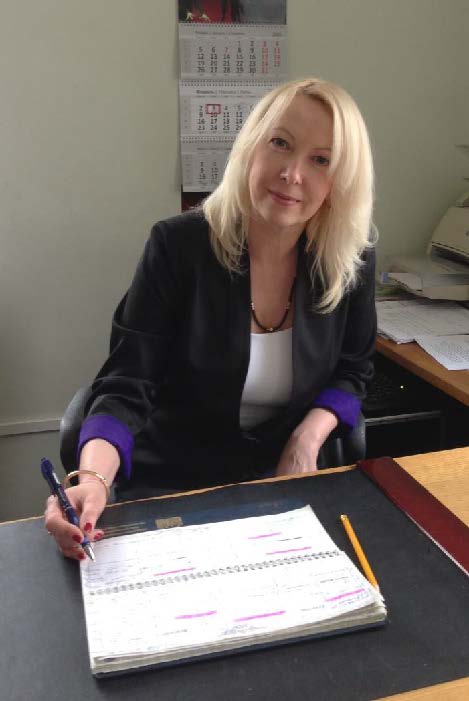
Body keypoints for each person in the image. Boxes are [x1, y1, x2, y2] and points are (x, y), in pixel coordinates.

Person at [45, 77, 377, 559]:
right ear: (251, 146)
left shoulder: (350, 259)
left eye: (321, 160)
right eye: (280, 143)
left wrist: (309, 436)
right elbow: (127, 383)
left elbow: (354, 370)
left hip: (286, 481)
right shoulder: (178, 247)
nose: (292, 173)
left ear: (341, 181)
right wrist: (93, 479)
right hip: (175, 480)